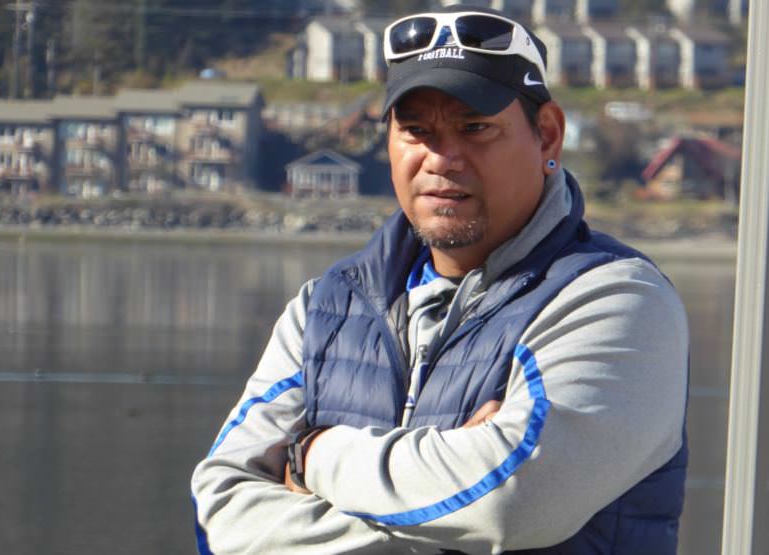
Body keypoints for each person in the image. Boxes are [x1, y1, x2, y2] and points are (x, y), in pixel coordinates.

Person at [191, 5, 689, 554]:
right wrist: (451, 505)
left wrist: (312, 455)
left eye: (475, 128)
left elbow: (510, 503)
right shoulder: (325, 311)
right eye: (416, 130)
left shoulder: (616, 301)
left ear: (547, 136)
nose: (441, 158)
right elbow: (222, 518)